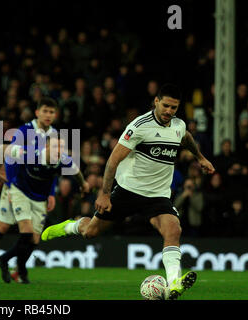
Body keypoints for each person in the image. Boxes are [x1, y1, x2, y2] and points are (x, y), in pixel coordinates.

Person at [41, 84, 215, 299]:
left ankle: (173, 284)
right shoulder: (139, 126)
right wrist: (104, 194)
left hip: (158, 196)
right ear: (156, 102)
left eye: (174, 108)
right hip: (128, 191)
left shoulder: (178, 125)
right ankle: (70, 226)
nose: (169, 111)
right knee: (90, 232)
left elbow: (186, 137)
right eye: (166, 106)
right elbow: (113, 160)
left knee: (173, 230)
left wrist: (200, 158)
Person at [0, 97, 59, 283]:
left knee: (32, 236)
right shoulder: (24, 131)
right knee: (3, 227)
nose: (48, 115)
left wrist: (51, 193)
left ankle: (17, 269)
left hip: (37, 192)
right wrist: (11, 185)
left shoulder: (54, 135)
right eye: (45, 111)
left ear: (55, 115)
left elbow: (52, 167)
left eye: (51, 112)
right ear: (37, 112)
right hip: (17, 187)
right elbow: (11, 154)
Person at [0, 135, 89, 284]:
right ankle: (7, 261)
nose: (58, 151)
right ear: (46, 147)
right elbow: (3, 149)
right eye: (55, 147)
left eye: (61, 148)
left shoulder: (63, 160)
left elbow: (77, 172)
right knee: (27, 232)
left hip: (39, 198)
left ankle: (17, 268)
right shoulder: (29, 153)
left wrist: (84, 184)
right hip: (20, 192)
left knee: (34, 240)